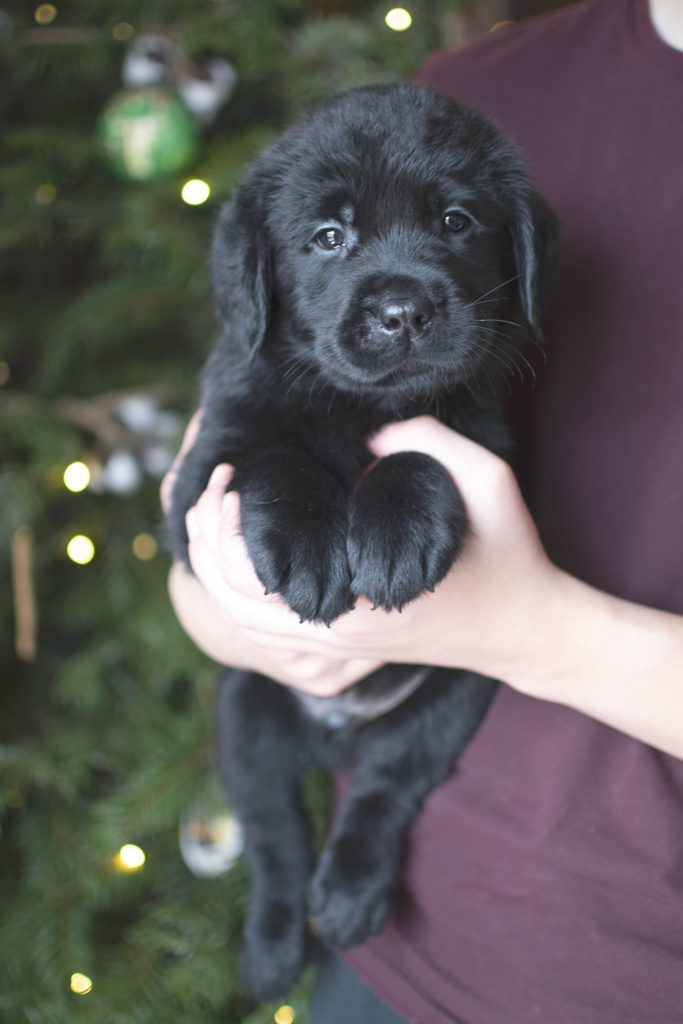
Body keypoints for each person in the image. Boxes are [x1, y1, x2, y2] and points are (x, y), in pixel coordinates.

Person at [163, 1, 683, 1020]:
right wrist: (229, 603)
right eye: (329, 237)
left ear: (518, 257)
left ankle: (363, 831)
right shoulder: (472, 89)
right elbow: (198, 537)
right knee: (251, 725)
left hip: (631, 967)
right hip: (397, 950)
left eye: (450, 225)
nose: (397, 296)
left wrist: (525, 628)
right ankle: (278, 887)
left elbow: (466, 457)